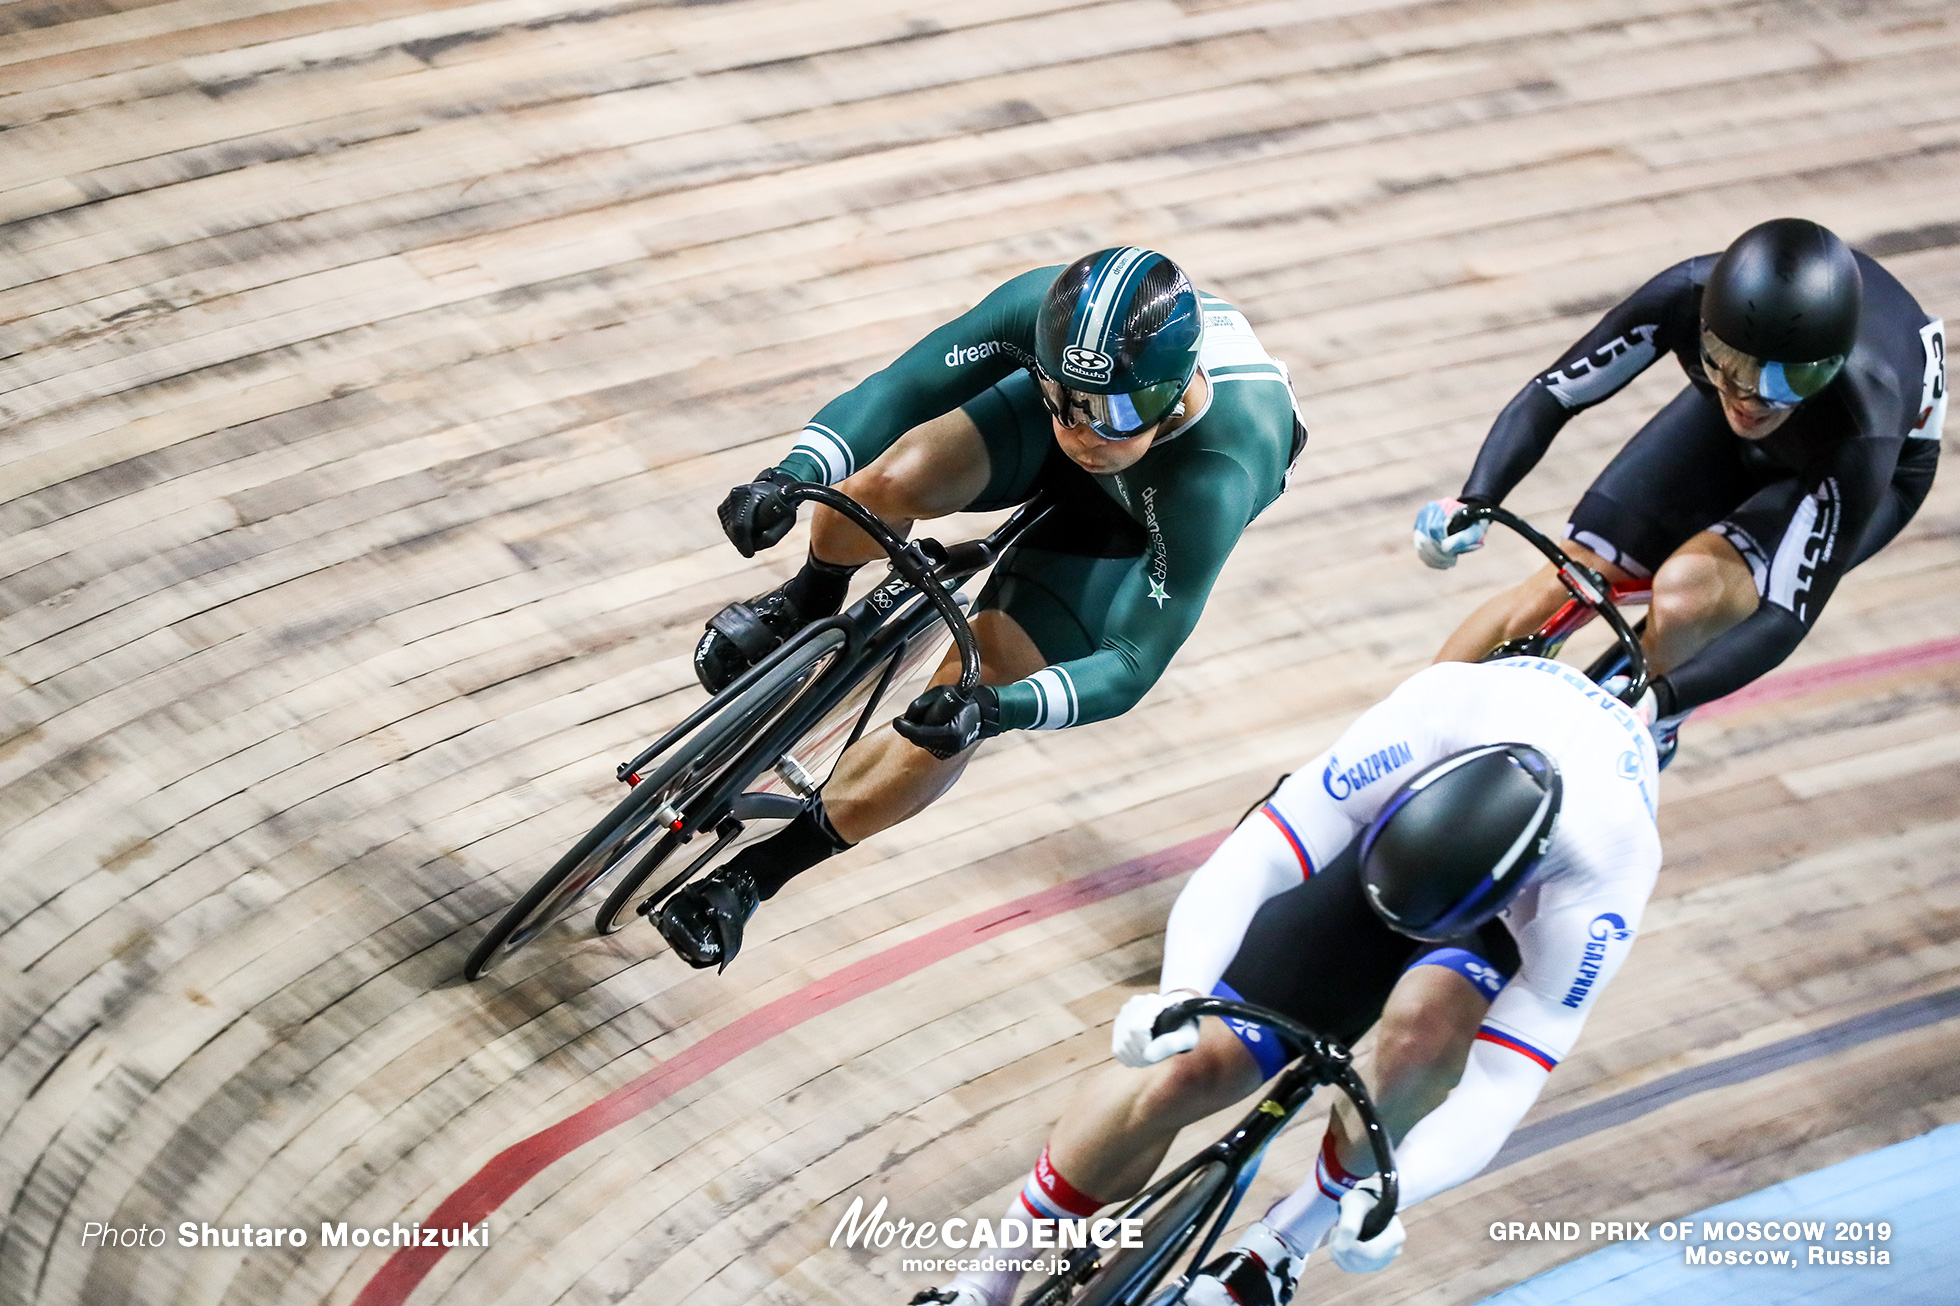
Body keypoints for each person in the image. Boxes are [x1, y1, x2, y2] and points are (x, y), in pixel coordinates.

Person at [913, 655, 1661, 1306]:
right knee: (1185, 1069)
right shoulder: (1432, 715)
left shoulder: (1604, 871)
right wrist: (1180, 991)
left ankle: (1281, 1248)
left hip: (1498, 923)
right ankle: (988, 1278)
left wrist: (1389, 1195)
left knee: (1424, 1035)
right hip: (1383, 855)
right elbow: (1259, 856)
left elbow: (1503, 1078)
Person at [657, 247, 1308, 969]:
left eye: (1114, 414)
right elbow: (899, 391)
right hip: (1068, 430)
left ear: (1176, 389)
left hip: (1138, 515)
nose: (1084, 434)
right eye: (1068, 401)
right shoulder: (1043, 316)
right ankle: (808, 601)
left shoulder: (1220, 472)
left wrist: (998, 710)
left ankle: (752, 878)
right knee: (884, 481)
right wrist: (790, 476)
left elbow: (1130, 661)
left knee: (970, 693)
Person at [1415, 218, 1944, 764]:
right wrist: (1477, 497)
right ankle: (1404, 732)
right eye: (1729, 364)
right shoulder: (1683, 296)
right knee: (1566, 579)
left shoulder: (1867, 416)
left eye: (1788, 379)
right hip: (1742, 425)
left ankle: (1643, 728)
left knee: (1688, 596)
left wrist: (1662, 702)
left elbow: (1787, 615)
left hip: (1852, 462)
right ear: (1706, 330)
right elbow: (1556, 392)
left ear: (1829, 366)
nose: (1754, 399)